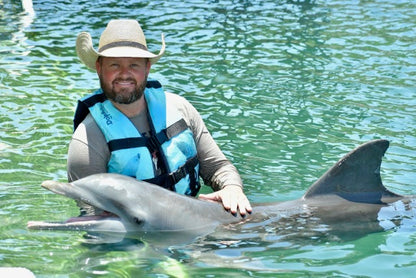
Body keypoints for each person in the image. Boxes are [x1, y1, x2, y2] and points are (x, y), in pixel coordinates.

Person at [67, 19, 252, 217]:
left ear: (147, 68)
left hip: (197, 220)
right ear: (98, 68)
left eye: (134, 65)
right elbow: (93, 218)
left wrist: (232, 189)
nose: (124, 74)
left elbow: (217, 167)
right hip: (141, 238)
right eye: (114, 64)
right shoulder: (87, 141)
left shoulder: (180, 109)